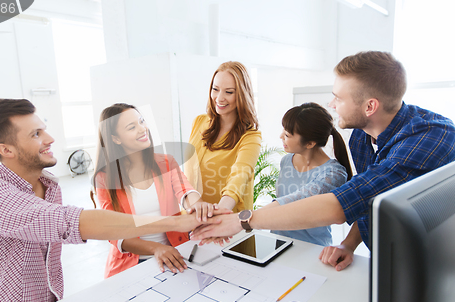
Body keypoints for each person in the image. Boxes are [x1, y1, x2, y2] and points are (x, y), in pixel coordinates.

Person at [0, 99, 223, 302]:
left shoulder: (49, 187)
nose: (50, 139)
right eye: (36, 134)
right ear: (7, 150)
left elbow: (184, 188)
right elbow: (73, 222)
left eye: (44, 128)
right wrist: (176, 222)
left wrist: (196, 207)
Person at [191, 51, 455, 271]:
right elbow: (369, 201)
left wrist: (242, 220)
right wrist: (348, 245)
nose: (331, 103)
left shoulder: (430, 139)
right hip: (390, 256)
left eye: (339, 98)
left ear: (370, 106)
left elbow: (342, 204)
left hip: (433, 265)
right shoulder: (362, 139)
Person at [91, 103, 214, 277]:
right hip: (131, 263)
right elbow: (113, 232)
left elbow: (185, 190)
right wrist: (156, 248)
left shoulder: (166, 162)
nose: (143, 129)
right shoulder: (104, 178)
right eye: (132, 127)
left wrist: (197, 204)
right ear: (116, 139)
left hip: (174, 256)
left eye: (142, 121)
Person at [266, 102, 352, 246]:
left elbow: (295, 202)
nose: (281, 136)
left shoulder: (333, 174)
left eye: (287, 134)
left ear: (310, 143)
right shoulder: (286, 160)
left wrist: (247, 219)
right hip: (278, 243)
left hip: (311, 248)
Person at [185, 61, 262, 214]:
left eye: (229, 92)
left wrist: (216, 213)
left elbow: (238, 179)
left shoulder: (250, 137)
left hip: (226, 224)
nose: (219, 98)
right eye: (215, 89)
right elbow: (187, 177)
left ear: (241, 94)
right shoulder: (199, 122)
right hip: (191, 221)